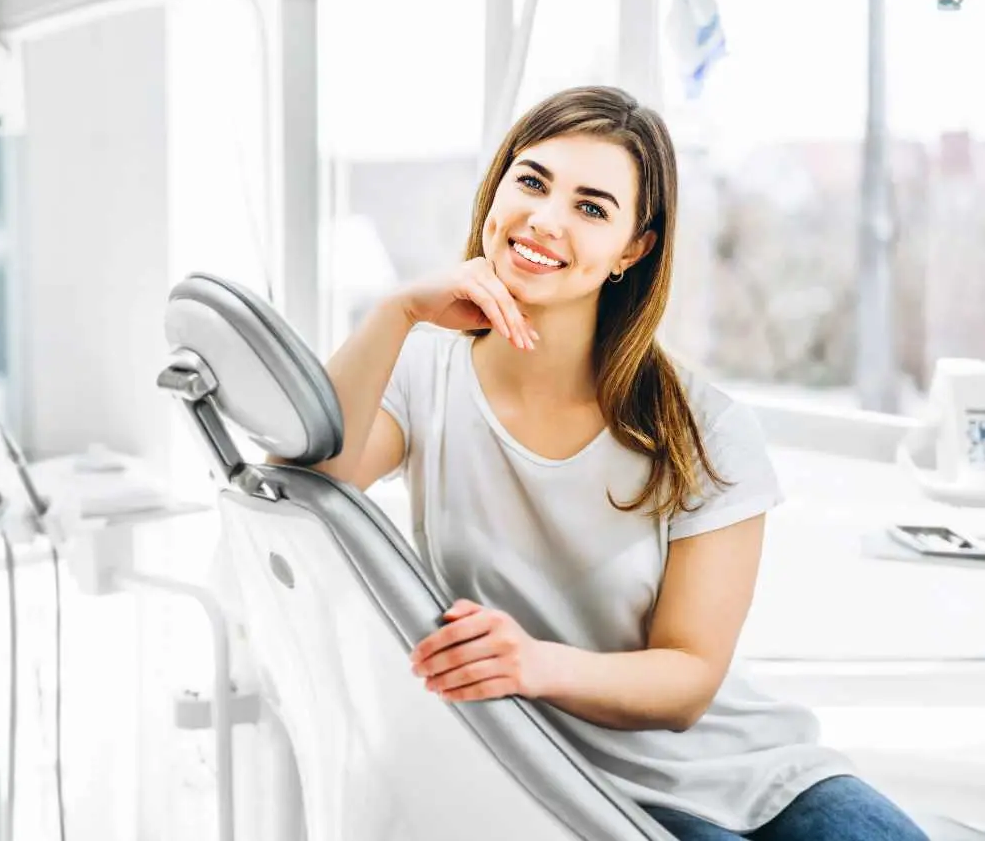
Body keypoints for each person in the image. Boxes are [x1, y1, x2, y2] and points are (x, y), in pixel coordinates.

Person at [303, 86, 927, 840]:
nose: (546, 219)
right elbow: (317, 478)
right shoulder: (419, 372)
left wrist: (533, 664)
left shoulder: (704, 430)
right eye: (531, 182)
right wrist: (395, 311)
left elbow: (689, 680)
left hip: (748, 769)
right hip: (557, 776)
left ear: (633, 249)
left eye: (592, 208)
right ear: (496, 188)